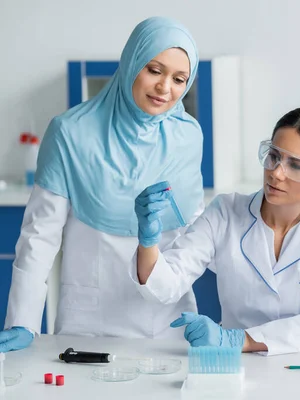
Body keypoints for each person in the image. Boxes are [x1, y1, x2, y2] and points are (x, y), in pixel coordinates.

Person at [0, 17, 205, 352]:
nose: (165, 87)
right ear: (131, 62)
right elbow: (39, 237)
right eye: (154, 70)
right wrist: (22, 321)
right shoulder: (70, 133)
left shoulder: (188, 134)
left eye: (179, 79)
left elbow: (195, 231)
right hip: (91, 327)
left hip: (170, 322)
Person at [133, 107, 300, 355]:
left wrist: (237, 340)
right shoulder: (226, 211)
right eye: (274, 156)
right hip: (232, 363)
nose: (276, 172)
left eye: (296, 165)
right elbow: (166, 286)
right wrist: (148, 240)